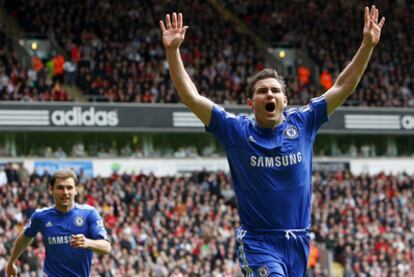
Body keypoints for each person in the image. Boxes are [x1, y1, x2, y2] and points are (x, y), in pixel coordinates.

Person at [160, 5, 384, 276]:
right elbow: (191, 97)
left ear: (285, 100)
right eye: (262, 91)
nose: (270, 95)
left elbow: (343, 86)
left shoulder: (303, 122)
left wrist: (367, 46)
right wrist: (173, 52)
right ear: (250, 102)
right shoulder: (235, 130)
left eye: (276, 91)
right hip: (258, 242)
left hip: (299, 241)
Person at [6, 169, 111, 277]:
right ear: (51, 190)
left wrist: (87, 242)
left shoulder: (89, 213)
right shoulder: (40, 216)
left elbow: (106, 247)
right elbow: (25, 236)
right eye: (60, 187)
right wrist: (12, 261)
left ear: (75, 190)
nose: (65, 192)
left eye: (69, 187)